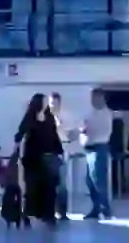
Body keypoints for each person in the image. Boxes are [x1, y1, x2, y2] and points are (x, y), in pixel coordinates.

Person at [15, 93, 62, 226]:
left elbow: (54, 135)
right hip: (32, 159)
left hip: (48, 156)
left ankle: (49, 214)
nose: (46, 104)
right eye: (44, 101)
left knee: (50, 187)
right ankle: (28, 214)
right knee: (32, 188)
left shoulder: (49, 117)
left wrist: (59, 150)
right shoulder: (30, 117)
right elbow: (20, 133)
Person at [82, 88, 114, 219]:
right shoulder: (91, 113)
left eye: (96, 98)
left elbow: (99, 131)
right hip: (89, 148)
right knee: (89, 181)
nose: (93, 101)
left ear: (101, 98)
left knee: (98, 180)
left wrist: (86, 130)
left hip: (99, 147)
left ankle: (105, 207)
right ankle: (96, 208)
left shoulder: (106, 114)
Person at [48, 92, 70, 220]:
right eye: (51, 104)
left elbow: (67, 137)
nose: (53, 106)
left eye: (55, 104)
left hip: (60, 154)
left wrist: (60, 125)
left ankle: (62, 212)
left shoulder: (64, 118)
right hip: (47, 154)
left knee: (61, 185)